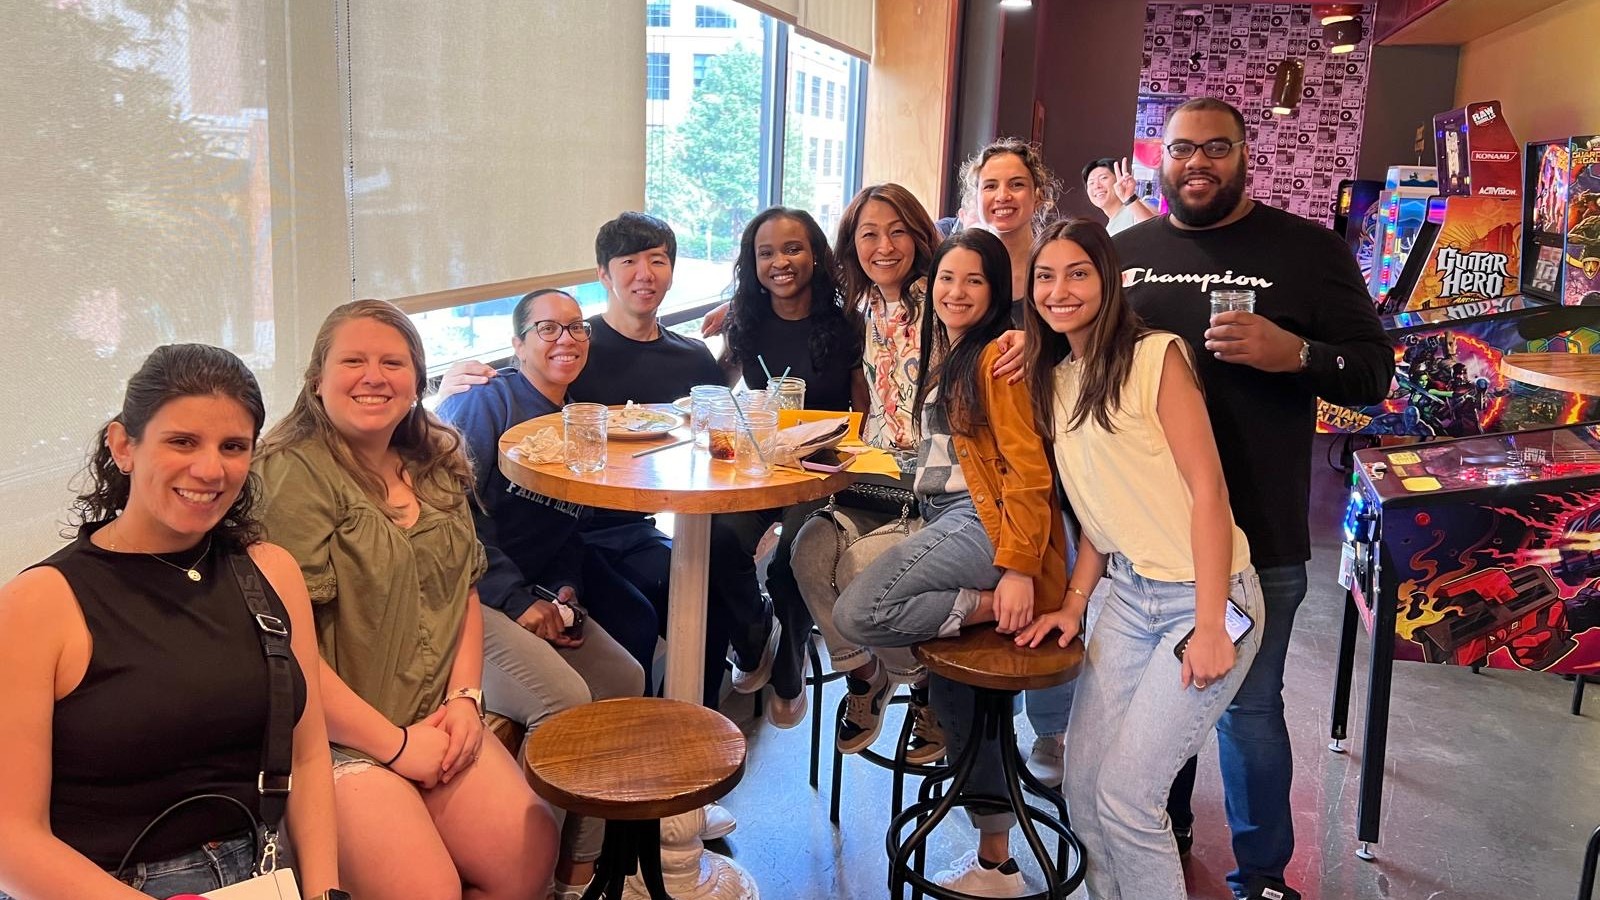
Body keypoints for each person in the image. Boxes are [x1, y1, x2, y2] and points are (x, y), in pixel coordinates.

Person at [1114, 97, 1393, 900]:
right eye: (1180, 149)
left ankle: (1263, 876)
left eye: (1215, 148)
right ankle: (1158, 842)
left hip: (1258, 536)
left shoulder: (1306, 251)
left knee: (1249, 709)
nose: (1196, 163)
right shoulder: (1124, 252)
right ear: (1158, 158)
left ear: (1245, 155)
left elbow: (1373, 374)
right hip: (1147, 537)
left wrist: (1295, 351)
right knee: (1153, 710)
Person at [0, 344, 343, 899]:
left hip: (262, 873)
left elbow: (305, 755)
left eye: (233, 447)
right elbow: (11, 838)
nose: (210, 469)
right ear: (124, 446)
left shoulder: (270, 573)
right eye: (182, 441)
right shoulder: (39, 604)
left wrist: (327, 891)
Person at [257, 299, 559, 899]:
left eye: (392, 362)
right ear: (317, 380)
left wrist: (466, 699)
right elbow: (288, 654)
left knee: (529, 855)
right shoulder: (290, 475)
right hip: (334, 740)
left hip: (434, 714)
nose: (374, 376)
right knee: (425, 890)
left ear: (417, 381)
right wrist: (395, 746)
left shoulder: (437, 457)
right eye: (354, 361)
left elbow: (464, 591)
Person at [1016, 217, 1262, 900]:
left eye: (1077, 273)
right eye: (1045, 276)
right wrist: (1073, 603)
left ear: (1108, 280)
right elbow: (1101, 510)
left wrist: (1212, 623)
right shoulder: (1057, 378)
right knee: (1086, 792)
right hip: (1125, 596)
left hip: (1208, 596)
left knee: (1129, 800)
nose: (1059, 289)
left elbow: (1208, 491)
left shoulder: (1156, 356)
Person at [835, 228, 1069, 898]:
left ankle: (982, 609)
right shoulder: (952, 349)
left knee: (861, 609)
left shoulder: (998, 354)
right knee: (964, 698)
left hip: (982, 524)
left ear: (997, 292)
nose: (955, 291)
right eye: (946, 279)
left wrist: (1018, 572)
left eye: (973, 281)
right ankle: (996, 861)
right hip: (940, 512)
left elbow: (1028, 472)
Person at [435, 288, 647, 899]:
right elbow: (457, 518)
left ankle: (578, 871)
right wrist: (514, 599)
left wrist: (563, 592)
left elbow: (564, 531)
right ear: (517, 343)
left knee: (624, 678)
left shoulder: (577, 420)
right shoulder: (486, 405)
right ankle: (525, 874)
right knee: (567, 698)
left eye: (577, 328)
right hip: (468, 594)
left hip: (532, 591)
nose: (566, 340)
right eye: (549, 329)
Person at [786, 183, 947, 762]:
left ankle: (928, 688)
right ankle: (863, 676)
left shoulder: (943, 298)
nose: (884, 246)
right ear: (851, 245)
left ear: (919, 236)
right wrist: (740, 303)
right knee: (803, 553)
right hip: (873, 475)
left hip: (932, 488)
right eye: (869, 234)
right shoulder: (861, 309)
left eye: (897, 230)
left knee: (859, 569)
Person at [716, 205, 868, 724]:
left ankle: (789, 662)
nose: (780, 261)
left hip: (822, 472)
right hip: (761, 468)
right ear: (752, 263)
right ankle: (757, 633)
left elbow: (863, 408)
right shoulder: (746, 322)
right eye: (766, 253)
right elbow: (716, 389)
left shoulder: (847, 323)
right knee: (718, 541)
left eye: (792, 248)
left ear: (816, 256)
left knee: (788, 563)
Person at [961, 137, 1073, 781]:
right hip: (983, 454)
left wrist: (1037, 339)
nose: (1003, 197)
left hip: (1056, 440)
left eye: (1016, 185)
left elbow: (1089, 327)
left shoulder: (1055, 261)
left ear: (1038, 194)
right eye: (991, 186)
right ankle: (969, 718)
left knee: (1051, 576)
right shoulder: (964, 261)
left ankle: (1051, 729)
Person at [1082, 157, 1155, 234]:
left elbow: (1157, 230)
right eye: (1091, 183)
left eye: (1103, 178)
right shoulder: (1107, 232)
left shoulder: (1138, 207)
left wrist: (1129, 198)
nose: (1097, 186)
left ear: (1120, 179)